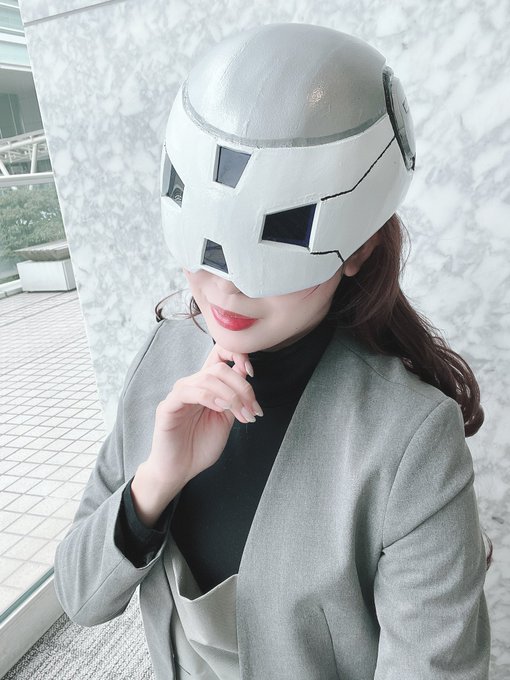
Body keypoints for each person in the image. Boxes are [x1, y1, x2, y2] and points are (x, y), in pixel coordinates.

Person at [53, 23, 491, 680]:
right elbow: (79, 597)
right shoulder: (165, 355)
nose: (225, 287)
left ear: (361, 246)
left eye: (283, 232)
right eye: (206, 244)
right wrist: (155, 483)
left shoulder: (410, 440)